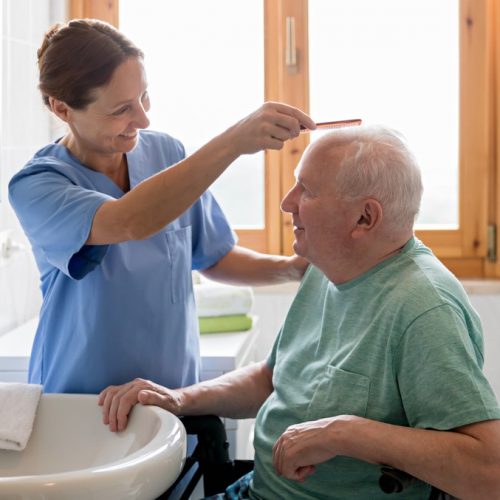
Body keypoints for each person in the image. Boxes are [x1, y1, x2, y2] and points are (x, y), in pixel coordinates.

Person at [99, 126, 500, 499]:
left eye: (305, 190)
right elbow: (271, 378)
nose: (286, 202)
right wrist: (180, 399)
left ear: (365, 217)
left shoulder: (424, 308)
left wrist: (345, 433)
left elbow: (488, 471)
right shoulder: (328, 267)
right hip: (259, 489)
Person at [7, 19, 316, 395]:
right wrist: (235, 141)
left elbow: (213, 256)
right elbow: (129, 221)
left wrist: (293, 270)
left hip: (171, 396)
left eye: (144, 97)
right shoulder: (38, 185)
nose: (142, 118)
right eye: (121, 108)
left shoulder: (167, 154)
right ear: (62, 109)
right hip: (81, 402)